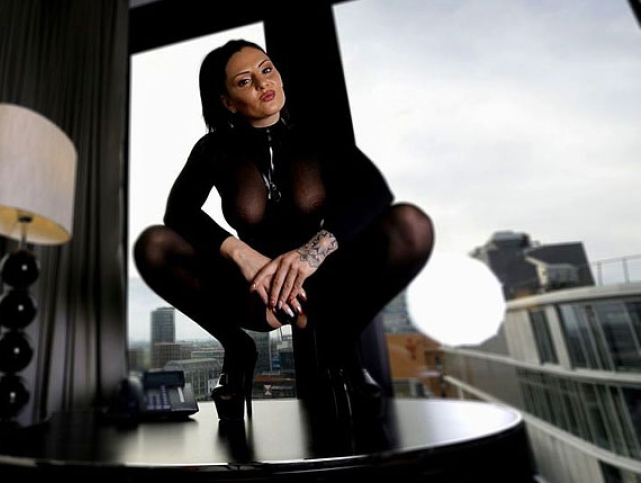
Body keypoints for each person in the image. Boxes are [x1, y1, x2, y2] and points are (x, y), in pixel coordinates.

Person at [133, 39, 434, 424]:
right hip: (257, 290)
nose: (263, 83)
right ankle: (238, 349)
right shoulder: (213, 150)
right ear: (228, 101)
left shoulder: (318, 133)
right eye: (244, 81)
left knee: (411, 224)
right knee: (153, 245)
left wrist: (313, 253)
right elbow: (178, 212)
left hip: (326, 285)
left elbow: (374, 192)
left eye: (266, 69)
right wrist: (240, 253)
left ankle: (341, 344)